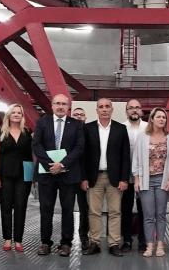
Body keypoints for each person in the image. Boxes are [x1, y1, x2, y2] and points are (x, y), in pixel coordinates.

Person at [32, 93, 85, 256]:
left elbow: (79, 147)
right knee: (45, 209)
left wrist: (62, 164)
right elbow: (36, 144)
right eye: (57, 103)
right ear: (52, 105)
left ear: (68, 107)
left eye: (64, 104)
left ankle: (66, 243)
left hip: (68, 174)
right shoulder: (42, 122)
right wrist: (51, 165)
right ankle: (45, 242)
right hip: (47, 174)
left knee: (68, 209)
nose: (61, 106)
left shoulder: (76, 124)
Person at [81, 98, 131, 256]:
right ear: (96, 110)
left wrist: (124, 179)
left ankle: (114, 244)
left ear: (112, 109)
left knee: (115, 211)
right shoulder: (87, 128)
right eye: (101, 107)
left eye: (107, 106)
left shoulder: (120, 129)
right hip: (93, 177)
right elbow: (83, 156)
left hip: (114, 178)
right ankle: (94, 243)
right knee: (94, 212)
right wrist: (83, 178)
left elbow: (125, 156)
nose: (104, 109)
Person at [132, 107, 169, 258]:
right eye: (159, 117)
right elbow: (136, 159)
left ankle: (160, 244)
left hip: (163, 180)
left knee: (161, 214)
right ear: (152, 119)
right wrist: (136, 179)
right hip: (146, 181)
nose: (161, 119)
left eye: (164, 117)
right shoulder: (143, 137)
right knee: (149, 215)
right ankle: (150, 245)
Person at [0, 103, 33, 252]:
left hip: (24, 175)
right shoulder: (0, 133)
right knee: (6, 207)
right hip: (5, 173)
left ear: (22, 116)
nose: (17, 115)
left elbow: (34, 153)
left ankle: (18, 240)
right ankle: (7, 239)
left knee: (20, 206)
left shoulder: (28, 133)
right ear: (9, 115)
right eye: (14, 112)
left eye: (19, 112)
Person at [121, 99, 148, 253]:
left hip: (144, 177)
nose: (134, 110)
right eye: (131, 108)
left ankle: (143, 241)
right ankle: (127, 241)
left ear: (141, 110)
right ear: (126, 111)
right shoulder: (120, 128)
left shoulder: (148, 127)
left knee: (144, 209)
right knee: (125, 210)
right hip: (126, 177)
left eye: (137, 107)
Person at [71, 106, 92, 248]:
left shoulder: (90, 132)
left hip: (84, 177)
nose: (78, 116)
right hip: (67, 176)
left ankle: (83, 237)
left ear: (85, 118)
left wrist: (86, 177)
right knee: (67, 209)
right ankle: (66, 239)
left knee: (85, 209)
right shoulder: (66, 132)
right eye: (76, 114)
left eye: (81, 115)